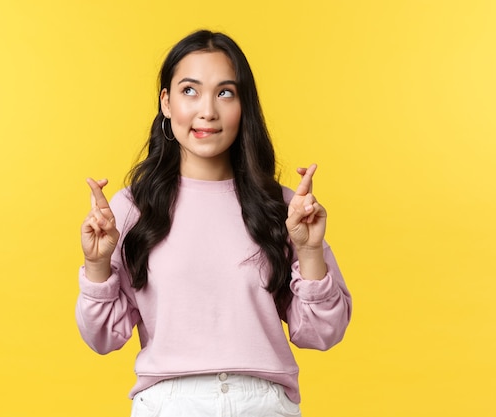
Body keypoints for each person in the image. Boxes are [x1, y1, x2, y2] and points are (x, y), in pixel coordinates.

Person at [76, 29, 352, 417]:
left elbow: (323, 333)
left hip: (264, 404)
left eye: (225, 92)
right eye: (190, 91)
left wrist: (308, 250)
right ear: (166, 102)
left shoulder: (284, 208)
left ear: (244, 105)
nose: (207, 110)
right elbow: (103, 338)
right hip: (168, 404)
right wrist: (96, 265)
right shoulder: (131, 209)